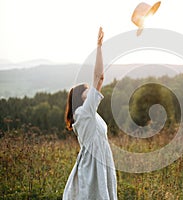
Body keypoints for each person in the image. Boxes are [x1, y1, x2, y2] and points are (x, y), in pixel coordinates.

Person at [63, 27, 117, 200]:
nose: (90, 89)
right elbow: (99, 77)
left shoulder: (90, 113)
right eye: (87, 89)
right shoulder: (83, 112)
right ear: (80, 96)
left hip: (101, 163)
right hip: (93, 167)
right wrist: (99, 47)